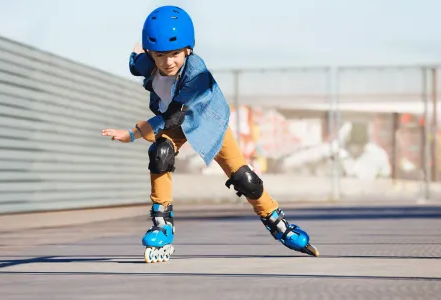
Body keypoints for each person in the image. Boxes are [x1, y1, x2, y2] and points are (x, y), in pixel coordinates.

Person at [101, 5, 319, 263]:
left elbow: (173, 115)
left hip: (206, 122)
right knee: (160, 153)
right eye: (160, 56)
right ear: (151, 53)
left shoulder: (197, 72)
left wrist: (133, 133)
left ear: (188, 50)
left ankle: (278, 223)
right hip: (175, 124)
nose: (168, 62)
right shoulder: (148, 62)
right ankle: (162, 224)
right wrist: (134, 55)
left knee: (244, 178)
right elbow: (135, 65)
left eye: (175, 54)